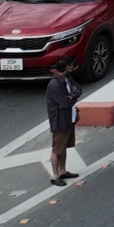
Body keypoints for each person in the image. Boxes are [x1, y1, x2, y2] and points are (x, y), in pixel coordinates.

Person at [45, 57, 81, 187]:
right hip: (60, 121)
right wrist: (72, 97)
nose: (72, 67)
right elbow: (65, 102)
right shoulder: (54, 85)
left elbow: (78, 89)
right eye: (70, 65)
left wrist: (72, 96)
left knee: (64, 147)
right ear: (66, 67)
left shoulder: (67, 78)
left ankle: (62, 171)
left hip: (69, 118)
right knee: (57, 149)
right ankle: (55, 175)